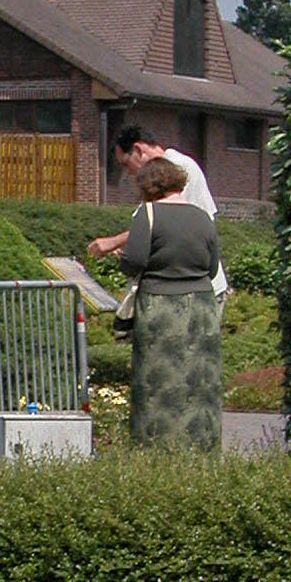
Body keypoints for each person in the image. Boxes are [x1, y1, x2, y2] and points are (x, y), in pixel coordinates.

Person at [108, 156, 221, 449]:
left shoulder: (148, 214)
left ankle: (156, 446)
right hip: (202, 309)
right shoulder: (202, 216)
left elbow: (134, 262)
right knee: (199, 381)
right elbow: (211, 267)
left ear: (149, 186)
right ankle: (201, 446)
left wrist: (125, 261)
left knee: (157, 382)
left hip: (161, 308)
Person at [89, 126, 229, 299]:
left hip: (195, 293)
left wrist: (114, 242)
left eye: (126, 164)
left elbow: (166, 223)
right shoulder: (159, 179)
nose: (128, 172)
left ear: (139, 149)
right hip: (182, 291)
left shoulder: (178, 168)